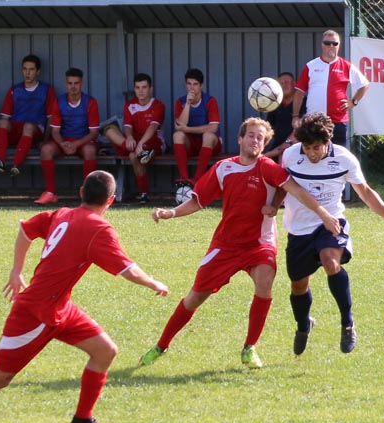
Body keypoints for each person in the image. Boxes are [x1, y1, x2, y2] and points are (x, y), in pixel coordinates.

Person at [0, 171, 168, 423]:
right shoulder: (99, 229)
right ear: (111, 200)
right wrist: (152, 282)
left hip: (59, 307)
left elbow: (26, 230)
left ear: (81, 192)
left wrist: (16, 270)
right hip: (35, 313)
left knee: (105, 351)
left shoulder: (62, 213)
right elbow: (127, 269)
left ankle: (82, 421)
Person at [138, 117, 340, 370]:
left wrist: (323, 213)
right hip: (226, 245)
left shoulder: (268, 168)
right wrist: (171, 213)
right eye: (251, 135)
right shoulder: (224, 168)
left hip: (259, 244)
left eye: (260, 138)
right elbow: (197, 201)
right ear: (240, 139)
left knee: (265, 282)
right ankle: (162, 345)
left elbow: (295, 190)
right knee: (194, 298)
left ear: (264, 144)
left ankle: (249, 348)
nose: (255, 140)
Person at [269, 112, 384, 355]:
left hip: (332, 222)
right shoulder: (291, 156)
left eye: (316, 147)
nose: (312, 153)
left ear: (328, 142)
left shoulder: (344, 159)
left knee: (330, 261)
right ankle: (304, 325)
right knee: (298, 286)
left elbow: (365, 192)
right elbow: (285, 185)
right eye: (307, 147)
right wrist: (273, 205)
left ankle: (347, 323)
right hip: (299, 228)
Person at [34, 68, 101, 205]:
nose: (73, 87)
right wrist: (63, 144)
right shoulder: (59, 102)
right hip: (64, 141)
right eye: (70, 83)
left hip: (83, 141)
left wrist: (76, 144)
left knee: (90, 151)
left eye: (76, 83)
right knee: (46, 150)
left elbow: (94, 132)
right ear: (66, 84)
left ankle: (87, 194)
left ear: (81, 84)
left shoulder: (90, 102)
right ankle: (51, 193)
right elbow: (55, 131)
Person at [291, 30, 369, 147]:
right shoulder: (311, 66)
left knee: (335, 158)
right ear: (322, 44)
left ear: (339, 45)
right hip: (313, 121)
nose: (331, 46)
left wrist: (353, 102)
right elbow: (299, 92)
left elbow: (364, 84)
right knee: (313, 154)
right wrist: (295, 116)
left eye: (335, 43)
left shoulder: (347, 66)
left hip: (338, 121)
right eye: (327, 43)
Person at [0, 54, 57, 177]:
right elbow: (5, 117)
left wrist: (45, 141)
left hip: (35, 132)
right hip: (17, 131)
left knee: (28, 126)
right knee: (2, 122)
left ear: (38, 72)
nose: (27, 73)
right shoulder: (15, 90)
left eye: (31, 69)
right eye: (25, 69)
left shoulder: (47, 90)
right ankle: (0, 161)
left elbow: (51, 118)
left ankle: (16, 165)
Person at [104, 72, 166, 204]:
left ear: (151, 89)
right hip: (133, 144)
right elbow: (127, 126)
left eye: (144, 87)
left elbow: (153, 127)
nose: (141, 91)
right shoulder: (129, 105)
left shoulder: (158, 105)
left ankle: (144, 193)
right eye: (137, 87)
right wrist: (130, 137)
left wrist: (141, 143)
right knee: (109, 130)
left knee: (133, 156)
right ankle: (140, 153)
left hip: (152, 143)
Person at [172, 68, 222, 187]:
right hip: (191, 144)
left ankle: (197, 179)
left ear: (201, 86)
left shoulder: (210, 101)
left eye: (195, 84)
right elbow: (180, 126)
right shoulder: (181, 101)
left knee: (208, 136)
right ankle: (183, 178)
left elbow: (213, 127)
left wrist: (188, 129)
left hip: (210, 144)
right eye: (189, 84)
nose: (192, 88)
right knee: (177, 135)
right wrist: (188, 104)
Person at [262, 72, 305, 163]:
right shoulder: (275, 104)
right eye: (281, 83)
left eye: (286, 82)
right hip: (278, 146)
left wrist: (286, 144)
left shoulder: (304, 103)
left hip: (299, 146)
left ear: (294, 84)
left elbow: (301, 129)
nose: (284, 85)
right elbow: (268, 127)